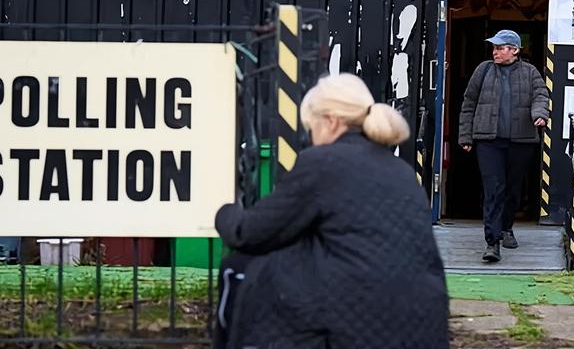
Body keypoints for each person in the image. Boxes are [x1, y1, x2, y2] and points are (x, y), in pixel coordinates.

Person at [214, 73, 450, 349]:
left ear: (331, 120)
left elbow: (250, 233)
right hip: (423, 323)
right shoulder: (400, 170)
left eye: (311, 127)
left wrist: (222, 210)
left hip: (354, 323)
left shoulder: (323, 162)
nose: (311, 137)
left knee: (239, 268)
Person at [458, 30, 549, 263]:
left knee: (512, 189)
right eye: (495, 48)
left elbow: (541, 95)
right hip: (488, 140)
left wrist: (539, 115)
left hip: (521, 140)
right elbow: (469, 103)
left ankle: (507, 227)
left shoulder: (530, 72)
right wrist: (465, 136)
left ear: (515, 51)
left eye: (501, 48)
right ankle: (492, 241)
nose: (495, 51)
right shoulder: (484, 70)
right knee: (493, 188)